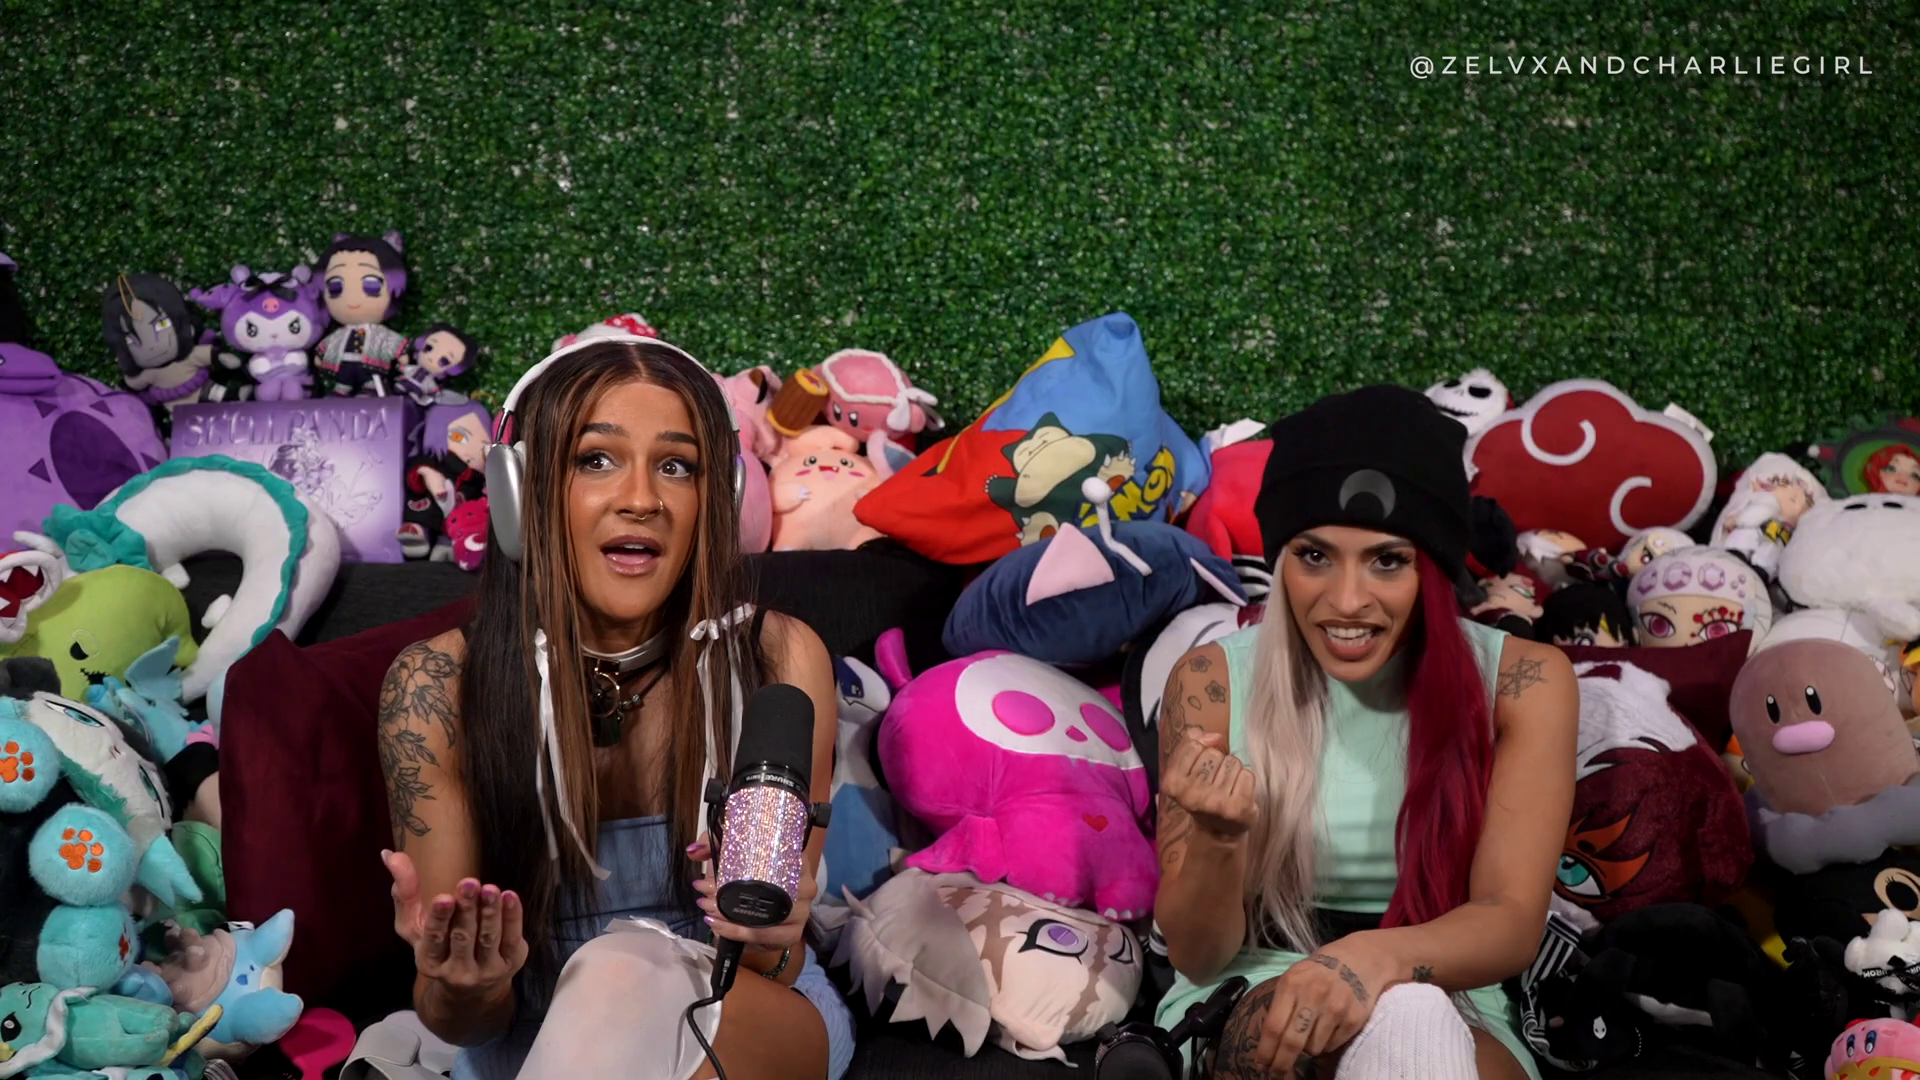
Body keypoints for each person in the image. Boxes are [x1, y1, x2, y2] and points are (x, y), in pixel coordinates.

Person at [374, 336, 855, 1080]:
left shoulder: (777, 658)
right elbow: (462, 1021)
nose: (641, 499)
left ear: (717, 499)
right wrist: (465, 981)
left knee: (618, 967)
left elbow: (773, 966)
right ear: (520, 492)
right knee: (607, 983)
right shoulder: (434, 687)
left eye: (677, 466)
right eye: (595, 460)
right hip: (534, 1040)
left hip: (743, 1007)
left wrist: (775, 929)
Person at [1152, 385, 1577, 1080]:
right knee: (1325, 1037)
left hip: (1449, 982)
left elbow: (1509, 917)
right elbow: (1199, 956)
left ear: (1433, 566)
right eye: (1315, 556)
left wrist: (1372, 965)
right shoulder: (1210, 682)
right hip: (1250, 979)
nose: (1347, 600)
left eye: (1387, 560)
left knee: (1415, 1018)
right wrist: (1219, 841)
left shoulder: (1525, 681)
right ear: (1281, 560)